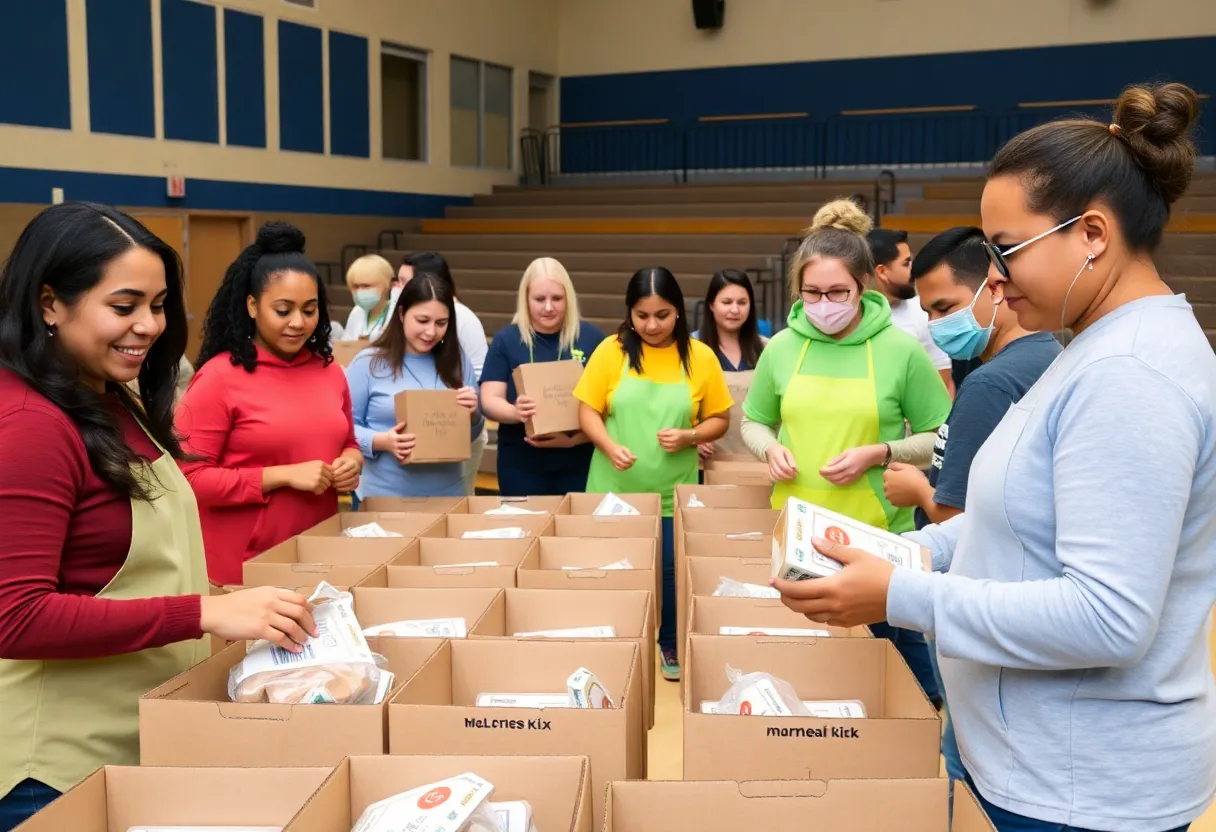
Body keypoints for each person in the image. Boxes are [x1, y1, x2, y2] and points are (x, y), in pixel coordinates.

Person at [773, 82, 1216, 832]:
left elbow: (1106, 617)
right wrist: (904, 551)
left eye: (1006, 252)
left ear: (1093, 236)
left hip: (1082, 787)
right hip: (1037, 762)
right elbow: (1014, 519)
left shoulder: (1130, 374)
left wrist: (900, 596)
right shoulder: (1091, 350)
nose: (998, 282)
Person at [0, 204, 317, 831]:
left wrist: (234, 602)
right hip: (57, 771)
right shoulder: (32, 427)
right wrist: (201, 612)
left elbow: (120, 564)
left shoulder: (111, 397)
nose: (147, 325)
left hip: (133, 737)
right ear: (49, 304)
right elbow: (15, 615)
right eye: (124, 307)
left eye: (160, 304)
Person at [741, 200, 952, 707]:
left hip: (877, 540)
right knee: (813, 675)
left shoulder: (899, 350)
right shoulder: (783, 348)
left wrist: (880, 452)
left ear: (864, 284)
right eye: (812, 293)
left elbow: (941, 433)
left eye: (837, 291)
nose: (824, 302)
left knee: (891, 677)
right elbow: (753, 421)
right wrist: (770, 449)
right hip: (798, 535)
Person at [880, 225, 1062, 792]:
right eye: (928, 313)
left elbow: (962, 520)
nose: (936, 326)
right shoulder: (1050, 355)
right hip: (1014, 608)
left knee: (965, 762)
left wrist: (917, 492)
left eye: (946, 308)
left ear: (993, 287)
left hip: (969, 595)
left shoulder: (991, 384)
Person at [175, 222, 362, 585]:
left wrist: (351, 464)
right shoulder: (218, 378)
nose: (299, 323)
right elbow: (188, 478)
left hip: (317, 553)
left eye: (310, 310)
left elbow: (348, 442)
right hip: (242, 566)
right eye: (283, 310)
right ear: (252, 305)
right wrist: (281, 476)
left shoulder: (328, 371)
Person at [575, 267, 733, 682]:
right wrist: (609, 446)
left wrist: (689, 435)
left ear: (678, 311)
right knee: (612, 571)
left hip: (672, 493)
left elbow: (720, 419)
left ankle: (670, 641)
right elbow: (587, 410)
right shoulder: (611, 351)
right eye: (641, 316)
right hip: (613, 489)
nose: (651, 325)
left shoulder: (701, 357)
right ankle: (614, 644)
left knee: (671, 576)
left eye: (662, 315)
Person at [346, 272, 482, 499]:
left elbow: (471, 435)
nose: (431, 332)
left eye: (441, 323)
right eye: (422, 321)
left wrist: (473, 415)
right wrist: (383, 441)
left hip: (448, 495)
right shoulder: (367, 363)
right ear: (401, 314)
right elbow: (346, 428)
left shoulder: (457, 361)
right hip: (384, 498)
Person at [479, 257, 604, 496]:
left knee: (575, 530)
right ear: (525, 299)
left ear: (568, 297)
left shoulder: (591, 339)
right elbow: (489, 399)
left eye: (556, 298)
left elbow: (607, 404)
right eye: (539, 299)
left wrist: (576, 439)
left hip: (580, 461)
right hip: (521, 464)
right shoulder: (507, 340)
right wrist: (515, 412)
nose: (548, 307)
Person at [398, 251, 488, 494]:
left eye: (406, 282)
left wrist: (466, 407)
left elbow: (479, 376)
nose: (399, 288)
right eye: (398, 282)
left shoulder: (465, 322)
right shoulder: (373, 360)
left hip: (451, 440)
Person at [692, 268, 767, 459]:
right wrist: (692, 438)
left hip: (758, 461)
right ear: (711, 304)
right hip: (707, 464)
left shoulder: (768, 349)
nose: (735, 310)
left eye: (742, 302)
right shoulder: (692, 349)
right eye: (726, 302)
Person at [867, 228, 954, 393]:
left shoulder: (922, 313)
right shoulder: (850, 315)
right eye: (906, 263)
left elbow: (944, 385)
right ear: (882, 272)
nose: (913, 270)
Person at [342, 254, 398, 342]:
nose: (360, 291)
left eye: (366, 286)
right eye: (356, 286)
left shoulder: (395, 313)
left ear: (387, 285)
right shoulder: (357, 312)